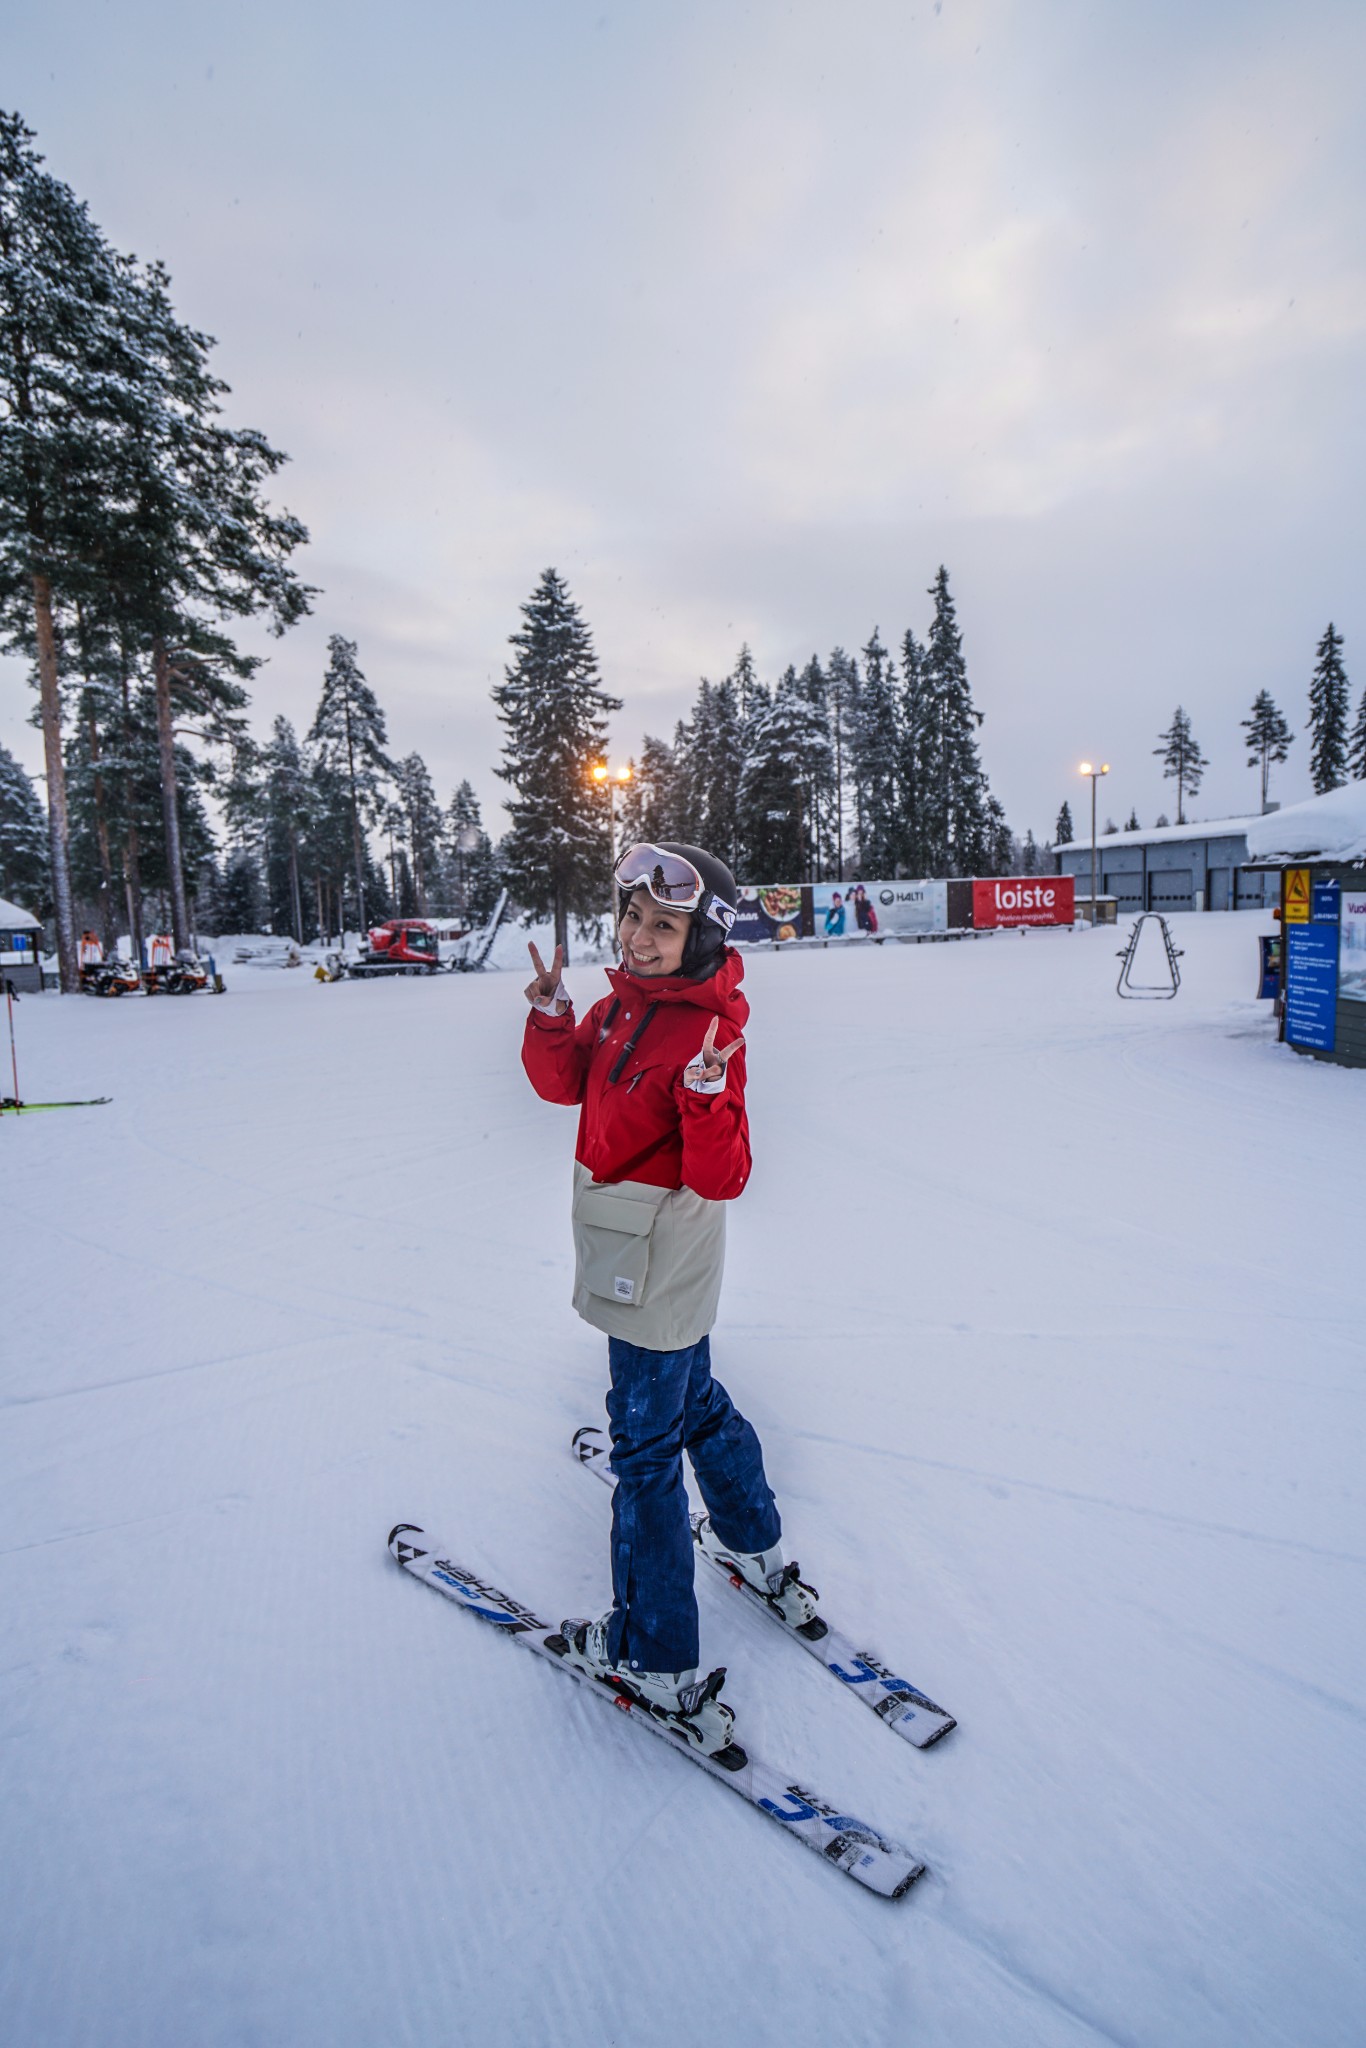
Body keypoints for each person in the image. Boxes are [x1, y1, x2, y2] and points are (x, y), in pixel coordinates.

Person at [521, 842, 816, 1758]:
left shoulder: (706, 1032)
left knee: (643, 1452)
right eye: (633, 917)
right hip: (627, 1243)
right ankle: (755, 1544)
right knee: (696, 1404)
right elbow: (563, 1083)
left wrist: (705, 1095)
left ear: (699, 940)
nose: (639, 937)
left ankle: (653, 1658)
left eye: (663, 925)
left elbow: (724, 1178)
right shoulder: (620, 1008)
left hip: (657, 1259)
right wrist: (555, 1017)